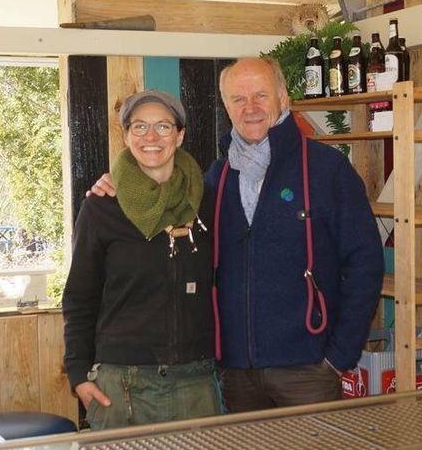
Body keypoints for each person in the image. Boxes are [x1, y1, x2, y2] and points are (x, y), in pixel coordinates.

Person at [89, 58, 385, 413]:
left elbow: (365, 262)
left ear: (283, 99)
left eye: (261, 95)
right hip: (234, 374)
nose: (251, 108)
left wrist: (339, 355)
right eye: (238, 99)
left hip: (308, 370)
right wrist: (116, 183)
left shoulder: (326, 170)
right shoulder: (216, 177)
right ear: (226, 108)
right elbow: (162, 197)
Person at [62, 90, 221, 430]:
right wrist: (78, 374)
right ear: (126, 136)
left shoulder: (207, 202)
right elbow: (79, 297)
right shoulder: (102, 207)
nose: (151, 137)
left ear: (180, 135)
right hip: (121, 386)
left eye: (163, 126)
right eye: (139, 126)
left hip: (197, 382)